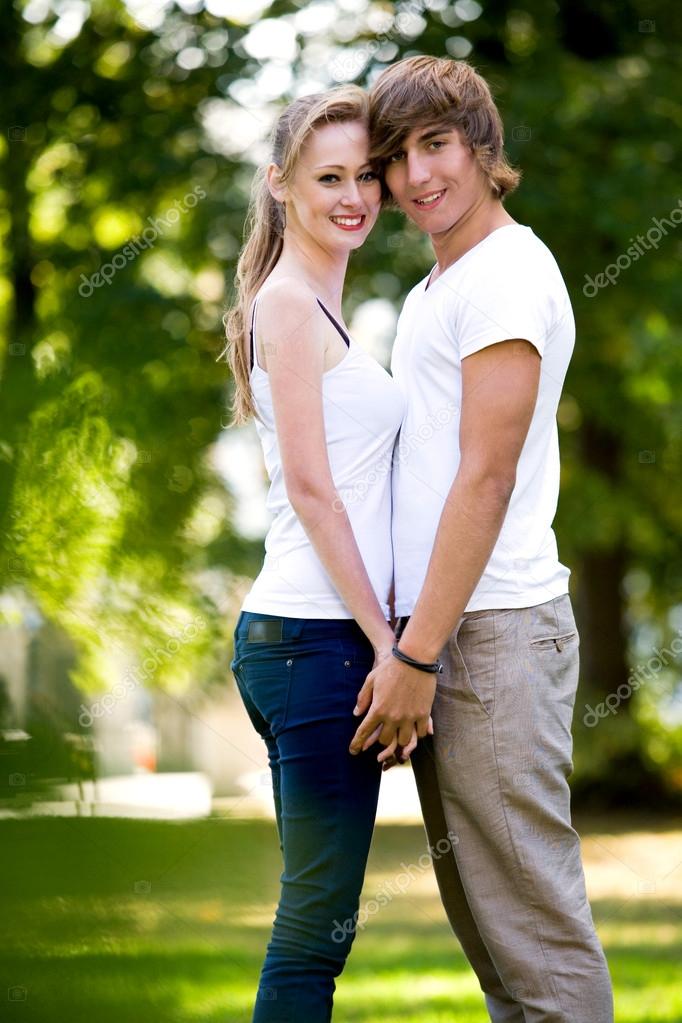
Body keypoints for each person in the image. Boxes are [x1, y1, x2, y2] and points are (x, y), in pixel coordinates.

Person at [349, 55, 614, 1022]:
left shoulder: (503, 274)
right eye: (395, 158)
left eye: (435, 145)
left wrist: (419, 652)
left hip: (490, 633)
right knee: (498, 950)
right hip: (450, 630)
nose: (417, 177)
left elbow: (487, 475)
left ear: (481, 145)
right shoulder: (435, 289)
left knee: (537, 944)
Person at [223, 85, 409, 1023]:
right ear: (280, 185)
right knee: (314, 929)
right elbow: (311, 488)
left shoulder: (321, 306)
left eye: (367, 174)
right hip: (316, 640)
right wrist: (389, 647)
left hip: (306, 640)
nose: (356, 195)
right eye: (329, 176)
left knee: (318, 920)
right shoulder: (291, 303)